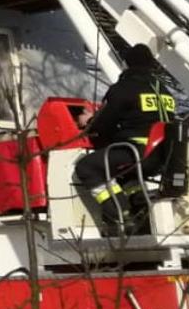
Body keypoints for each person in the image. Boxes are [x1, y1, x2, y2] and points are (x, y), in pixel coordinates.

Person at [73, 43, 177, 235]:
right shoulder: (164, 91)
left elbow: (102, 126)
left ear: (127, 64)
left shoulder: (124, 89)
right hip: (160, 155)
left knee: (87, 167)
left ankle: (119, 214)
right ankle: (140, 212)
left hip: (136, 151)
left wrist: (88, 121)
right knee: (125, 174)